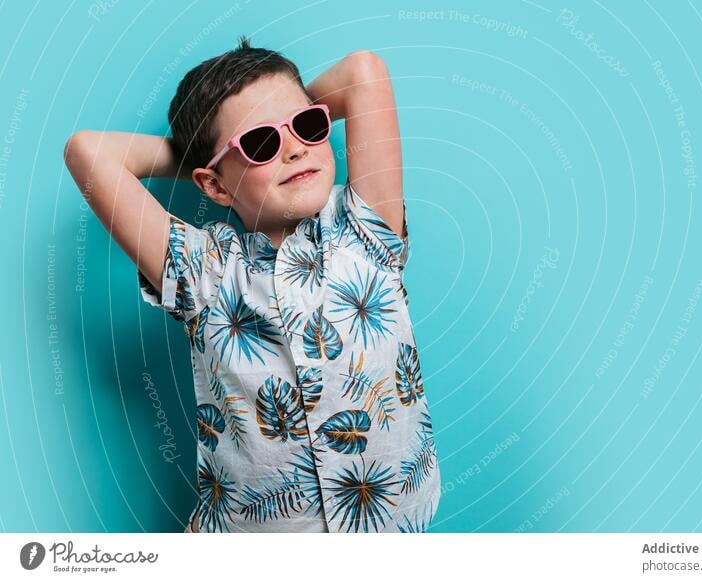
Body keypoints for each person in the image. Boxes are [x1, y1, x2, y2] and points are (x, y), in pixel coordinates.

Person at [63, 36, 441, 533]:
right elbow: (87, 152)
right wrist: (207, 155)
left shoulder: (367, 232)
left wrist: (245, 146)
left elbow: (363, 72)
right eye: (261, 143)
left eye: (307, 125)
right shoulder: (205, 272)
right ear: (213, 186)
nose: (293, 148)